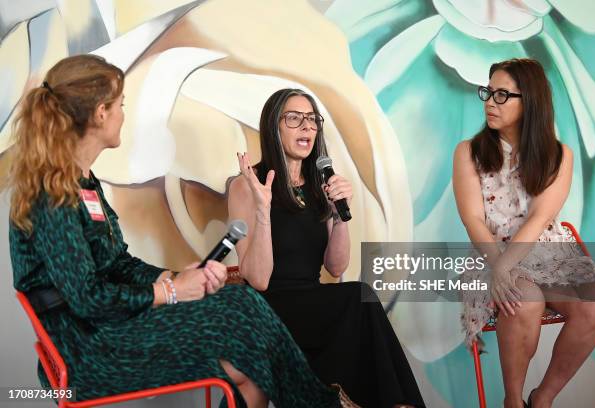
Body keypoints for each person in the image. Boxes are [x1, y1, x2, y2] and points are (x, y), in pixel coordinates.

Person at [8, 55, 347, 408]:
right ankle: (322, 404)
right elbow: (88, 299)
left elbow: (117, 264)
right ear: (100, 113)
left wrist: (178, 277)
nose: (124, 114)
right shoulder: (52, 195)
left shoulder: (82, 183)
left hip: (110, 331)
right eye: (120, 105)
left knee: (244, 321)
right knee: (245, 326)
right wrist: (170, 291)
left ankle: (319, 403)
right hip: (88, 351)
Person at [227, 88, 426, 408]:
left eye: (312, 119)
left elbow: (336, 266)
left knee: (354, 302)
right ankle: (396, 403)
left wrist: (339, 215)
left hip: (312, 306)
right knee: (356, 299)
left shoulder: (320, 186)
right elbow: (259, 280)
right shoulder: (247, 184)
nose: (306, 127)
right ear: (272, 127)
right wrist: (263, 211)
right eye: (294, 118)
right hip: (268, 309)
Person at [452, 58, 595, 408]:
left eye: (502, 95)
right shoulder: (468, 152)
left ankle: (543, 399)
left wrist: (506, 269)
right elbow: (473, 220)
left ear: (531, 101)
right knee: (522, 299)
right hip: (492, 254)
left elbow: (539, 218)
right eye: (488, 92)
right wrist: (500, 267)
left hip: (547, 253)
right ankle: (513, 401)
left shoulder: (558, 155)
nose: (490, 102)